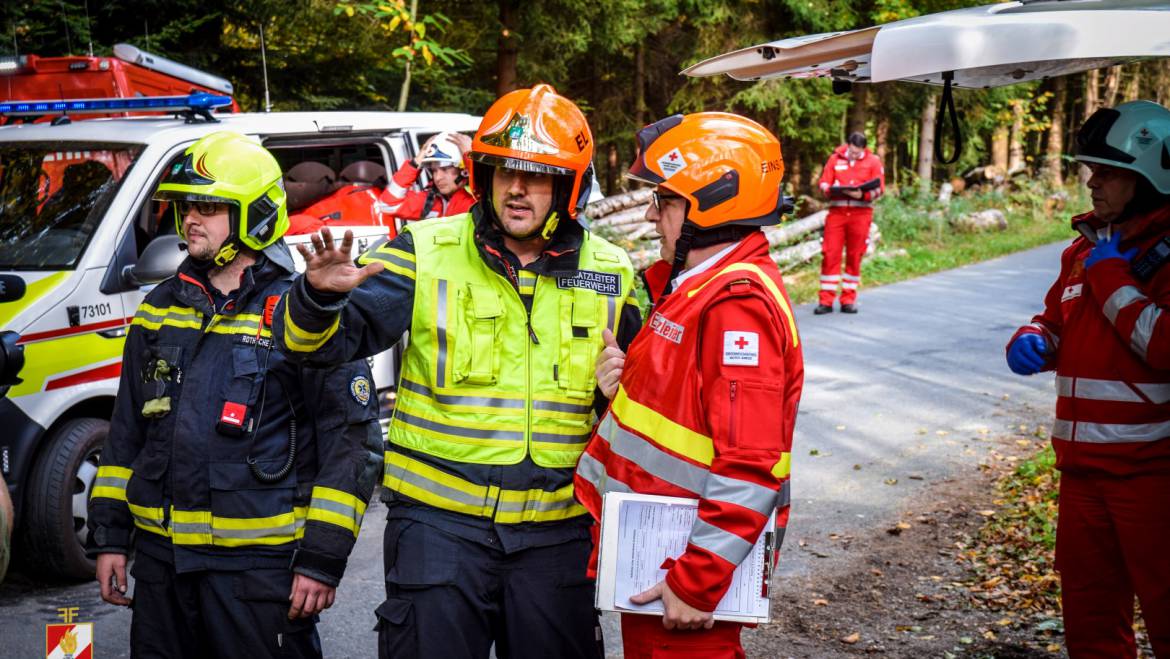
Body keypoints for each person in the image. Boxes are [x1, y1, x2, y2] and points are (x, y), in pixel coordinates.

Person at [274, 84, 642, 659]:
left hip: (557, 534)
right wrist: (318, 300)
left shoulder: (613, 272)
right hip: (440, 532)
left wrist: (618, 397)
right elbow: (314, 350)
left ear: (569, 187)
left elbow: (647, 418)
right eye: (504, 173)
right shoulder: (424, 248)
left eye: (537, 176)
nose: (517, 189)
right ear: (482, 176)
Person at [87, 131, 383, 659]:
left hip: (258, 572)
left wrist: (320, 560)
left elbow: (351, 444)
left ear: (256, 215)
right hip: (163, 566)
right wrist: (111, 537)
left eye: (209, 206)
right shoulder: (160, 307)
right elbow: (128, 431)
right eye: (185, 207)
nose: (190, 219)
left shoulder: (303, 312)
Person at [574, 112, 805, 658]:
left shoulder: (737, 304)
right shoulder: (695, 290)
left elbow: (751, 462)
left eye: (665, 201)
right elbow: (684, 412)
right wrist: (623, 384)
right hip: (659, 555)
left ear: (713, 204)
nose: (652, 216)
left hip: (683, 575)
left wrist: (697, 579)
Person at [1005, 100, 1170, 658]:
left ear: (1152, 177)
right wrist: (1033, 340)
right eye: (1091, 169)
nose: (1092, 182)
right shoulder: (1085, 249)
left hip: (1154, 478)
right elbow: (1056, 320)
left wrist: (1114, 278)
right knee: (1091, 624)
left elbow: (1166, 346)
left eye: (1109, 172)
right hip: (1081, 476)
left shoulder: (1154, 257)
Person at [815, 131, 884, 314]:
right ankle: (826, 301)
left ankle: (848, 299)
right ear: (848, 146)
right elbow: (823, 183)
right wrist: (830, 189)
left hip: (861, 214)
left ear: (863, 149)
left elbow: (880, 189)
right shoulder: (834, 159)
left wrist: (863, 194)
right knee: (830, 254)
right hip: (837, 213)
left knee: (855, 255)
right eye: (852, 152)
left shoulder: (873, 161)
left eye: (858, 153)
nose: (854, 155)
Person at [379, 131, 476, 222]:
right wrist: (415, 162)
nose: (437, 178)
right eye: (434, 170)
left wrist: (472, 162)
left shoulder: (475, 202)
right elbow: (388, 205)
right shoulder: (433, 202)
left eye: (445, 169)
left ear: (464, 171)